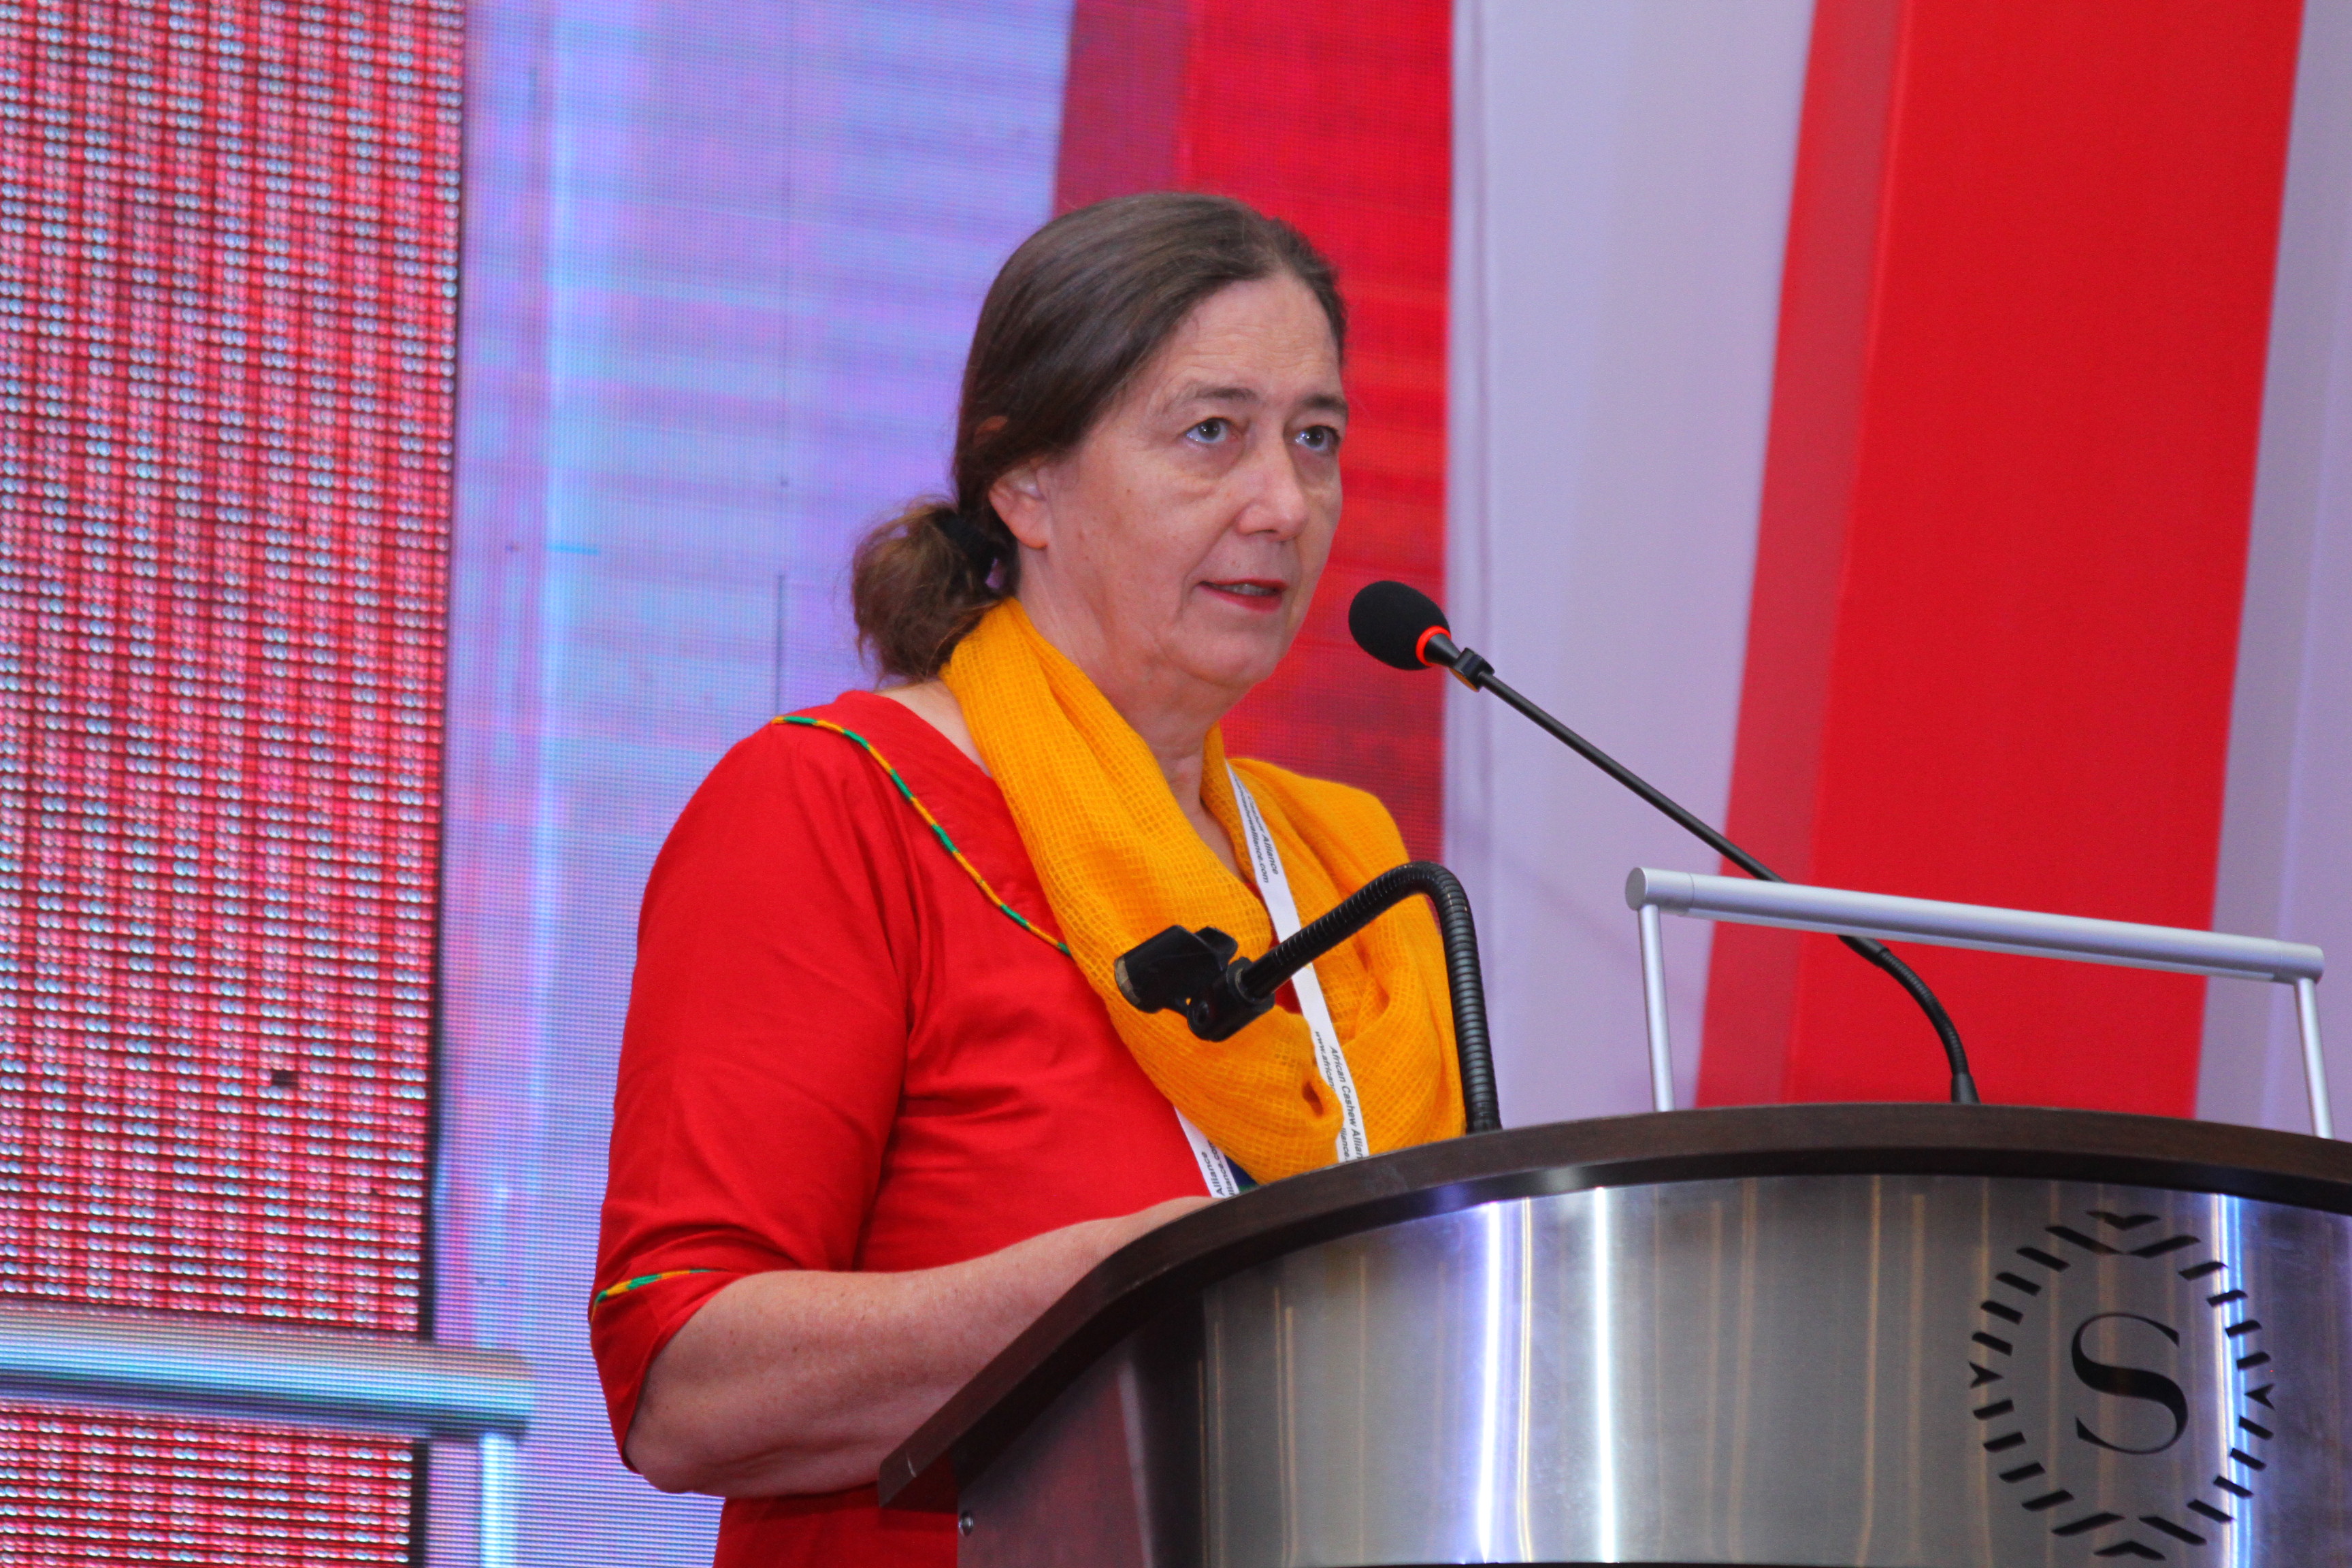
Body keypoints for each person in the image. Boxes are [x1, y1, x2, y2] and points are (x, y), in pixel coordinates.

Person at [590, 192, 1463, 1567]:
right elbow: (682, 1378)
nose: (1284, 505)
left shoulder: (1357, 875)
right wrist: (1113, 1291)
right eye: (1212, 432)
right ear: (1025, 482)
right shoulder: (837, 804)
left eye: (1316, 438)